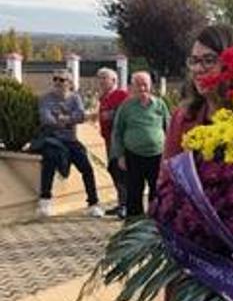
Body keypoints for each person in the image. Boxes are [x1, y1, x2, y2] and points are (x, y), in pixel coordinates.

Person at [159, 23, 233, 301]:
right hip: (195, 263)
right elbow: (165, 185)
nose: (198, 69)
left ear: (232, 62)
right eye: (194, 60)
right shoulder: (183, 119)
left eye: (208, 60)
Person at [35, 69, 104, 218]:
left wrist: (63, 119)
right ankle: (45, 201)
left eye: (62, 80)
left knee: (86, 167)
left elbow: (80, 116)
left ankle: (93, 204)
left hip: (71, 140)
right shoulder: (45, 99)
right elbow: (46, 119)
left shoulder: (75, 98)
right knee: (49, 162)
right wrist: (67, 119)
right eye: (55, 79)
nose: (58, 83)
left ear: (69, 83)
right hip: (53, 139)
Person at [110, 71, 170, 217]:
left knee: (157, 190)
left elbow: (168, 127)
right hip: (133, 154)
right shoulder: (126, 107)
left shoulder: (159, 104)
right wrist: (120, 155)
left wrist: (169, 153)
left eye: (145, 85)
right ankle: (134, 224)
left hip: (157, 154)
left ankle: (156, 221)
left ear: (150, 86)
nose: (142, 88)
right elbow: (117, 132)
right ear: (132, 87)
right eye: (138, 85)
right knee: (134, 191)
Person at [96, 67, 129, 218]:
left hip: (120, 141)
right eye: (100, 78)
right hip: (108, 140)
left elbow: (122, 116)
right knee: (113, 170)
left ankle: (125, 205)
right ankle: (121, 202)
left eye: (104, 78)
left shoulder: (121, 95)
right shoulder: (103, 98)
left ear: (114, 80)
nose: (101, 81)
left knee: (119, 170)